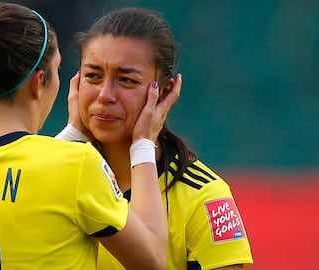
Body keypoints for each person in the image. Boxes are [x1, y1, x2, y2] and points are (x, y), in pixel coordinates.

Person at [0, 1, 180, 269]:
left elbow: (15, 193)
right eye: (57, 69)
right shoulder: (76, 165)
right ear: (38, 82)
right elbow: (153, 259)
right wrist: (143, 142)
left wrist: (72, 134)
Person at [58, 7, 253, 270]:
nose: (105, 95)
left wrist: (142, 146)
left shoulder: (202, 196)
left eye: (126, 80)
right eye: (93, 76)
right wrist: (73, 134)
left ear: (165, 91)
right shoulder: (57, 175)